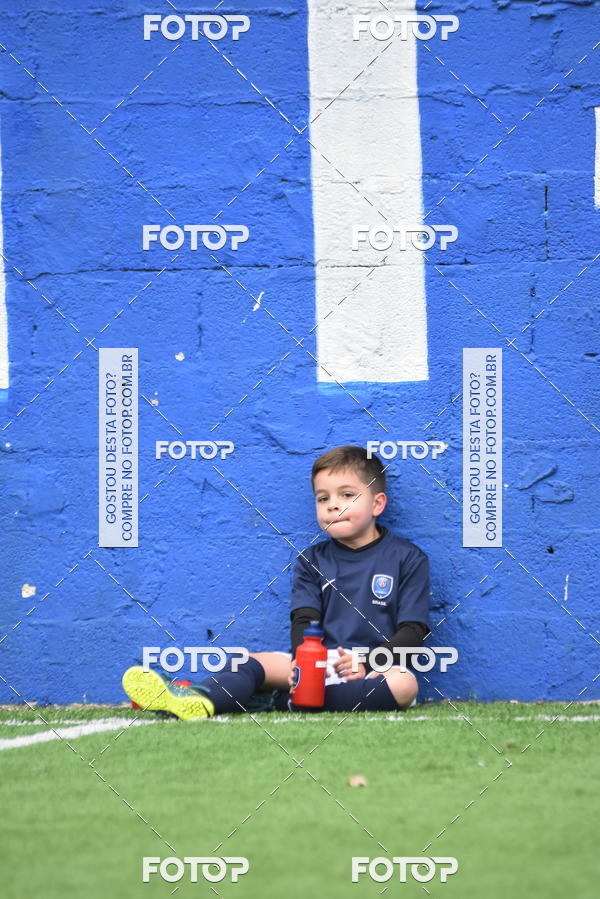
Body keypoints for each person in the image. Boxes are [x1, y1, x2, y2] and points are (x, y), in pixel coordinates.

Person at [122, 445, 430, 719]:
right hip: (317, 661)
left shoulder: (407, 558)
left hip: (371, 667)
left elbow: (413, 631)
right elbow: (304, 618)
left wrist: (366, 662)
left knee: (404, 684)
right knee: (250, 662)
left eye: (347, 495)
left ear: (377, 504)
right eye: (323, 498)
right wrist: (305, 665)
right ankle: (198, 700)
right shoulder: (314, 560)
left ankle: (289, 703)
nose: (333, 505)